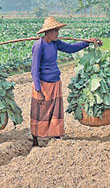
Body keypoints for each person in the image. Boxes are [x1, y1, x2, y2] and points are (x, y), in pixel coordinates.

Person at [30, 17, 99, 147]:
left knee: (56, 110)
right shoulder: (39, 46)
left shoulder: (55, 43)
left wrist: (87, 42)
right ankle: (35, 139)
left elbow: (70, 48)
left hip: (55, 81)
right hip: (43, 84)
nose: (57, 33)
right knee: (40, 112)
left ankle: (56, 136)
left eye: (58, 30)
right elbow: (34, 70)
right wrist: (38, 89)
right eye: (55, 30)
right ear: (48, 32)